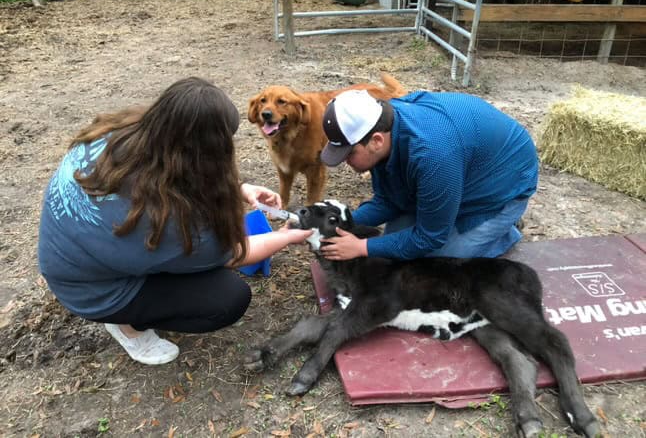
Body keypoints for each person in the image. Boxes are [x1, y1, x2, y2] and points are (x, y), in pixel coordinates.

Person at [38, 77, 313, 365]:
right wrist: (287, 236)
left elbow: (185, 176)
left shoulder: (115, 133)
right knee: (226, 298)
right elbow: (235, 252)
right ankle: (126, 326)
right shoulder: (165, 223)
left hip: (66, 256)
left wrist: (239, 188)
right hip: (93, 290)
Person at [318, 89, 539, 261]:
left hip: (502, 186)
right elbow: (387, 200)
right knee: (392, 240)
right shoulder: (384, 124)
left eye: (349, 153)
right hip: (458, 171)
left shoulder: (432, 156)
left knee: (432, 259)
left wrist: (360, 247)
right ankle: (454, 215)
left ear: (376, 141)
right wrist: (340, 223)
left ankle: (504, 227)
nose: (345, 161)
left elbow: (429, 238)